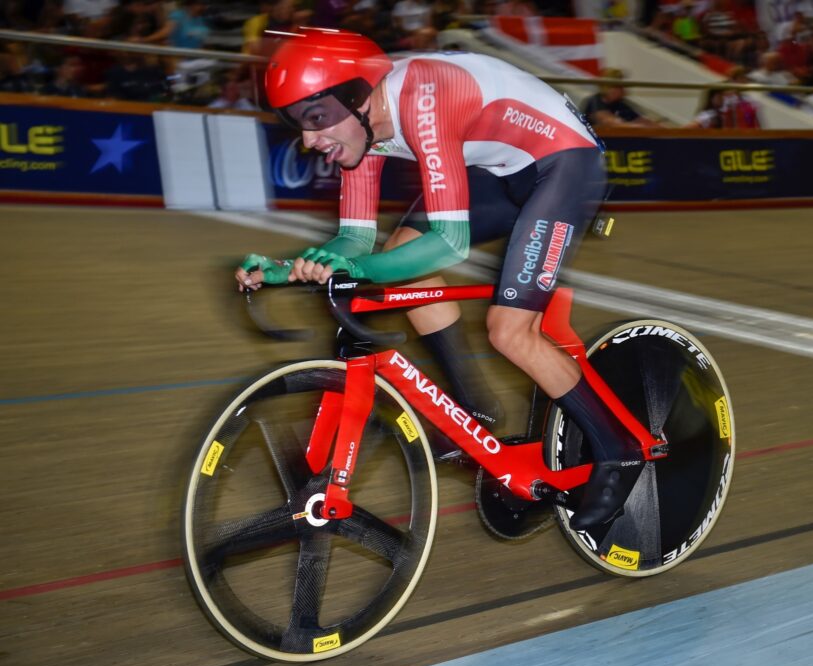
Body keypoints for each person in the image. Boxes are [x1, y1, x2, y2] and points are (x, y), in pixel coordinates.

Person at [236, 30, 642, 530]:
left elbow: (450, 242)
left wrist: (355, 270)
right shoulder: (364, 128)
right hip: (499, 170)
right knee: (399, 254)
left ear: (357, 95)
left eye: (316, 118)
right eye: (298, 123)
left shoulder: (423, 94)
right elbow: (354, 242)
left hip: (562, 164)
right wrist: (286, 267)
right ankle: (472, 413)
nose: (307, 139)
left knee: (510, 329)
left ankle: (619, 451)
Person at [582, 67, 660, 127]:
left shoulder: (620, 104)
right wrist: (638, 127)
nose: (623, 90)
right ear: (607, 87)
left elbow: (642, 120)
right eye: (619, 86)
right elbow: (608, 121)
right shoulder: (595, 101)